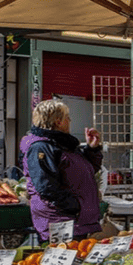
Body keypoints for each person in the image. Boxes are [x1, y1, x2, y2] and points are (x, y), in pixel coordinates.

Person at [20, 99, 103, 241]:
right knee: (63, 260)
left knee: (78, 259)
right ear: (58, 121)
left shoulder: (63, 145)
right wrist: (74, 206)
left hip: (76, 219)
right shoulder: (41, 148)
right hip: (61, 220)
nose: (70, 121)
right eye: (67, 118)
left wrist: (92, 149)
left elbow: (86, 171)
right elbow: (46, 186)